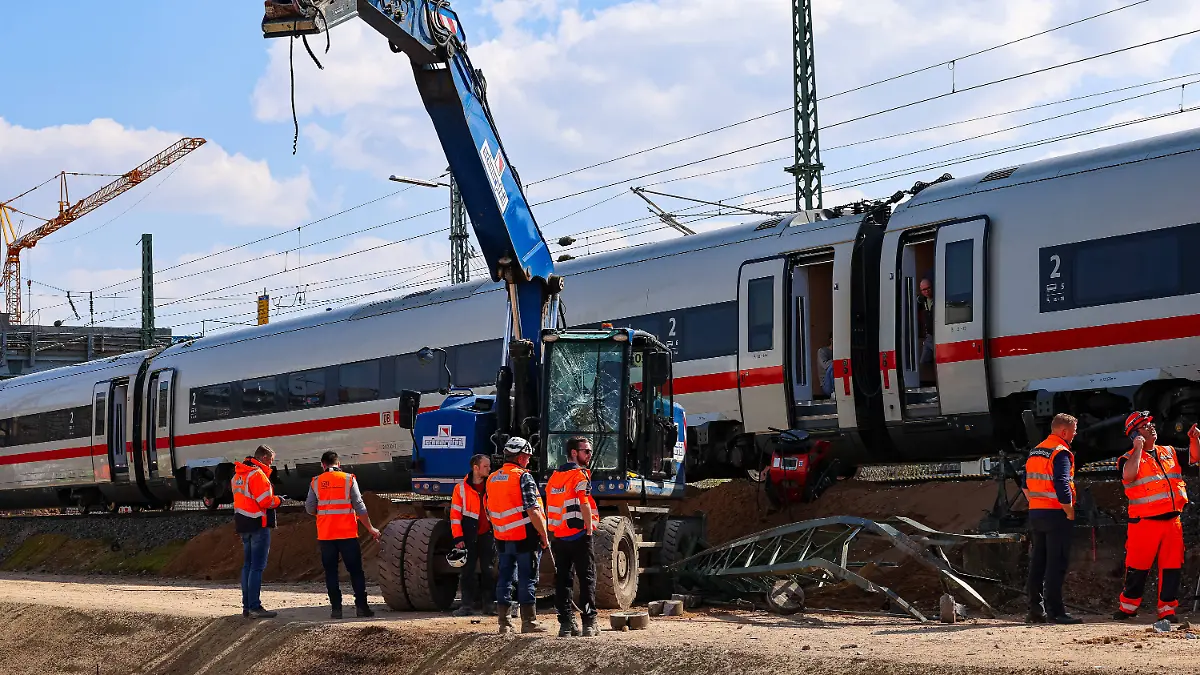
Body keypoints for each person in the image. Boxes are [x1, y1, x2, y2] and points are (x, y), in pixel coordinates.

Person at [1112, 412, 1199, 623]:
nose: (1151, 428)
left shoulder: (1169, 451)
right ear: (1134, 435)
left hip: (1172, 522)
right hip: (1144, 523)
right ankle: (1128, 607)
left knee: (1172, 567)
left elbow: (1195, 457)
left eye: (1150, 424)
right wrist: (1138, 448)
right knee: (1137, 567)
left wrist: (1195, 439)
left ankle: (1167, 610)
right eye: (1144, 426)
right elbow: (1128, 475)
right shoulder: (1128, 458)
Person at [305, 451, 382, 619]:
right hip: (347, 534)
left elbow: (310, 508)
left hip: (326, 536)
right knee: (355, 571)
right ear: (338, 464)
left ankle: (336, 610)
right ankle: (362, 608)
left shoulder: (316, 482)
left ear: (322, 465)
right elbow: (360, 507)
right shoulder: (348, 479)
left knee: (331, 573)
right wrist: (370, 528)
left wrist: (325, 513)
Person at [487, 436, 551, 634]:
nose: (529, 460)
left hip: (502, 537)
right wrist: (543, 534)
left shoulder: (492, 477)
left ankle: (504, 623)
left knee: (505, 578)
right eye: (528, 456)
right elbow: (533, 509)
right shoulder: (523, 477)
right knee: (527, 578)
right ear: (521, 456)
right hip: (524, 537)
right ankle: (528, 622)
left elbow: (488, 510)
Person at [1023, 413, 1082, 625]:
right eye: (1074, 430)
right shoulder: (1061, 452)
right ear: (1064, 431)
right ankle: (1056, 612)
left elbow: (1025, 484)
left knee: (1038, 562)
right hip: (1056, 514)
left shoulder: (1036, 451)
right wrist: (1069, 511)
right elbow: (1062, 483)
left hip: (1036, 513)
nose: (1075, 435)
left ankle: (1035, 610)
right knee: (1056, 563)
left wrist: (1037, 502)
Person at [546, 436, 601, 638]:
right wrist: (588, 528)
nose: (589, 455)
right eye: (586, 451)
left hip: (559, 535)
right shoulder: (579, 476)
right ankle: (589, 623)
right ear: (574, 453)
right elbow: (584, 503)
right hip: (578, 534)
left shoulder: (554, 478)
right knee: (587, 579)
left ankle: (566, 625)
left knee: (563, 580)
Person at [232, 444, 282, 619]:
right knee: (257, 567)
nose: (271, 465)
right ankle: (254, 606)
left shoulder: (238, 474)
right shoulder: (257, 475)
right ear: (265, 458)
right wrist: (279, 500)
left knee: (247, 566)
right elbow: (265, 501)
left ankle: (247, 606)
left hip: (243, 524)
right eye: (271, 461)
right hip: (258, 525)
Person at [451, 454, 496, 617]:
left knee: (488, 570)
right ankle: (467, 606)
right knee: (467, 571)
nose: (489, 469)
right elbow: (455, 515)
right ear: (476, 468)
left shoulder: (491, 485)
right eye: (486, 466)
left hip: (487, 534)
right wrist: (458, 538)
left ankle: (489, 605)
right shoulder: (461, 488)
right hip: (469, 534)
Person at [916, 278, 935, 368]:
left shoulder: (938, 299)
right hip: (929, 337)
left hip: (938, 336)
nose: (926, 291)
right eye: (924, 289)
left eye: (928, 288)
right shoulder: (922, 300)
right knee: (923, 363)